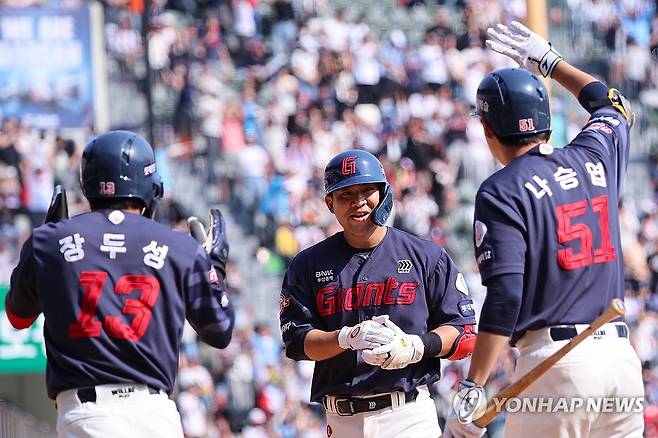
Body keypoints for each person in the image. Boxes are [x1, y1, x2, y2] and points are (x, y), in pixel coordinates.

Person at [444, 22, 644, 438]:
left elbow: (506, 295)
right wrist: (552, 63)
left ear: (487, 130)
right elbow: (616, 105)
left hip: (557, 365)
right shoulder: (594, 155)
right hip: (621, 363)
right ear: (545, 122)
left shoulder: (501, 189)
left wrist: (474, 384)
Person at [4, 130, 235, 438]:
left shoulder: (50, 241)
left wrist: (46, 248)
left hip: (85, 413)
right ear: (148, 188)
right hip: (154, 414)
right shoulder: (179, 247)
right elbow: (220, 331)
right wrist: (214, 270)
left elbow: (18, 318)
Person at [279, 149, 477, 438]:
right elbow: (297, 341)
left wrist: (415, 347)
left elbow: (464, 335)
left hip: (408, 415)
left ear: (384, 193)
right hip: (342, 419)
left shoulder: (426, 256)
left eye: (366, 191)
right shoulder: (308, 264)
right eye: (345, 195)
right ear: (329, 203)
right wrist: (345, 337)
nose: (358, 202)